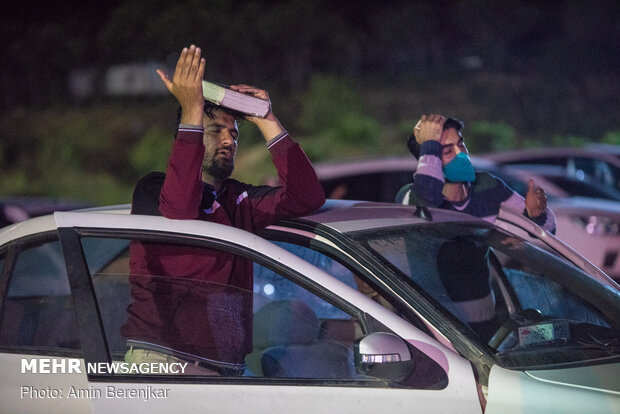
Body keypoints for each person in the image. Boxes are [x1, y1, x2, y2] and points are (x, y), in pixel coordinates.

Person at [121, 45, 325, 375]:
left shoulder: (238, 199)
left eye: (235, 132)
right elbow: (181, 214)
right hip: (166, 361)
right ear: (190, 132)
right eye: (216, 130)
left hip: (227, 368)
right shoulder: (152, 190)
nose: (230, 140)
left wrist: (267, 120)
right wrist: (191, 111)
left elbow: (307, 197)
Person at [395, 114, 556, 342]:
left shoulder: (487, 187)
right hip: (433, 325)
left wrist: (537, 215)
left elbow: (544, 234)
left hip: (485, 320)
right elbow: (428, 197)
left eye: (461, 143)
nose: (462, 154)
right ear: (428, 159)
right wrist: (429, 143)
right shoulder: (410, 196)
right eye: (448, 150)